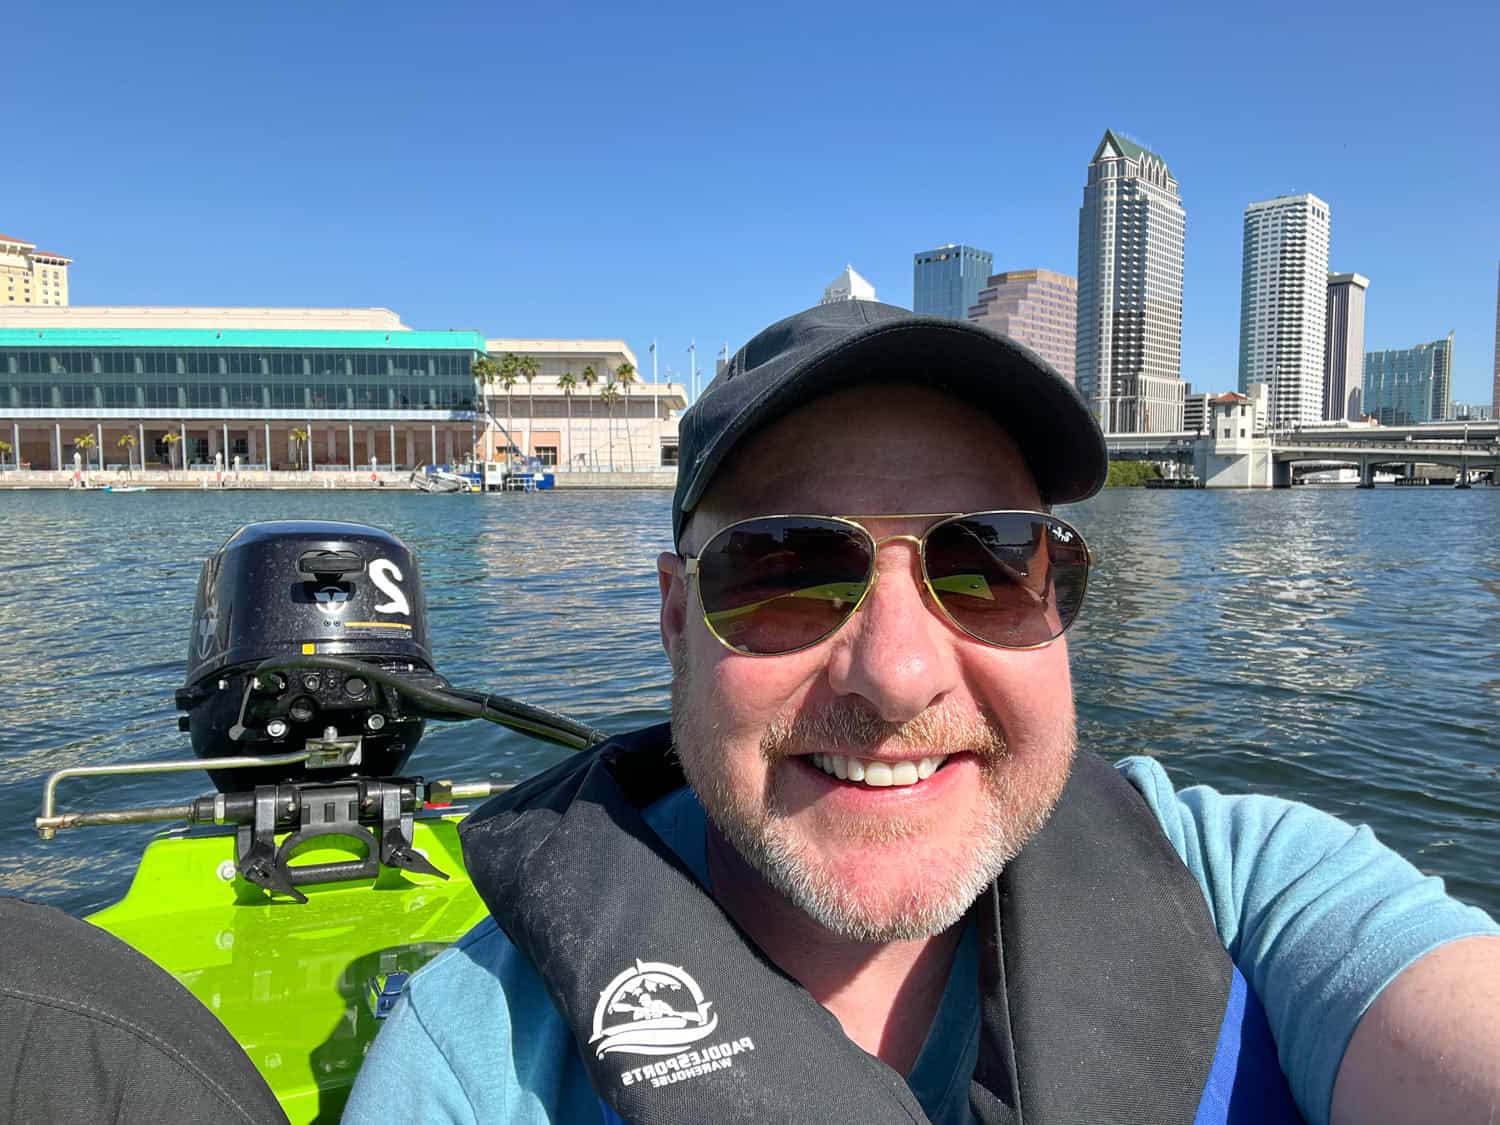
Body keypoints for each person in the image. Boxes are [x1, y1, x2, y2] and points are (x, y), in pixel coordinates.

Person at [344, 301, 1500, 1125]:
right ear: (675, 617)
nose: (898, 675)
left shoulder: (1246, 887)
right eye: (787, 567)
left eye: (989, 561)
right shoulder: (483, 1061)